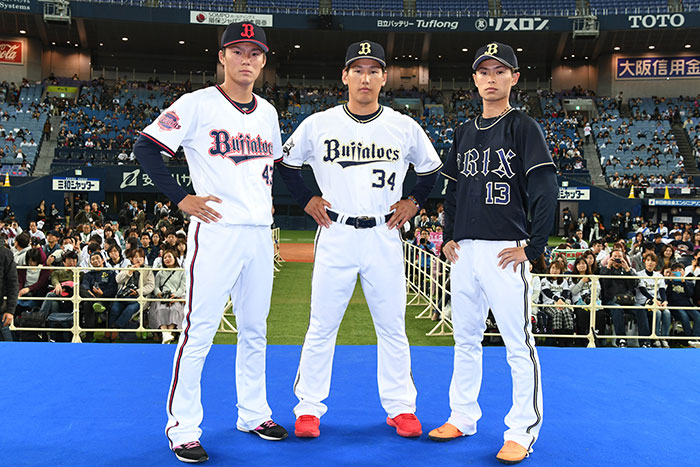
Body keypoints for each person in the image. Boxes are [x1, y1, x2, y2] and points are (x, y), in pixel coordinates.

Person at [133, 22, 287, 463]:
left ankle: (254, 412)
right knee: (198, 331)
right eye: (238, 51)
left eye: (254, 53)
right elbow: (147, 148)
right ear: (222, 57)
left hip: (258, 235)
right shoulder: (198, 103)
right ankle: (183, 428)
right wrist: (182, 197)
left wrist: (266, 207)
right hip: (216, 231)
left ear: (263, 60)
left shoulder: (269, 113)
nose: (247, 59)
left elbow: (269, 168)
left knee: (255, 330)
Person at [277, 40, 441, 440]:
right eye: (357, 70)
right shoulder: (319, 123)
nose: (365, 78)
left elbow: (432, 169)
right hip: (336, 231)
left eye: (373, 70)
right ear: (345, 76)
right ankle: (309, 408)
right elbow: (285, 163)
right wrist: (306, 199)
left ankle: (401, 407)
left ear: (384, 77)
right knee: (322, 324)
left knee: (391, 327)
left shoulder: (404, 125)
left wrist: (415, 201)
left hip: (385, 233)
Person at [432, 43, 558, 465]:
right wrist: (448, 234)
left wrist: (535, 245)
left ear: (514, 78)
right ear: (474, 79)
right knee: (464, 340)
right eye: (483, 71)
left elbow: (545, 190)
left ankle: (522, 430)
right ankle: (462, 416)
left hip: (506, 250)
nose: (491, 78)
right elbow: (453, 190)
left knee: (517, 344)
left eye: (500, 71)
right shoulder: (465, 131)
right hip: (464, 252)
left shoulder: (524, 127)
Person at [599, 249, 637, 347]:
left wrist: (627, 269)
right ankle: (621, 340)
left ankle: (645, 341)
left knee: (641, 309)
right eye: (614, 257)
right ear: (609, 258)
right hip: (611, 301)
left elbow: (632, 286)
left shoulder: (628, 270)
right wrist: (608, 266)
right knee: (617, 308)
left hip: (628, 301)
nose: (617, 259)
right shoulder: (604, 270)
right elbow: (604, 285)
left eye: (619, 257)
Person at [0, 239, 18, 341]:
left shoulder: (5, 254)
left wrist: (10, 310)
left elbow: (13, 283)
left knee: (5, 349)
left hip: (0, 310)